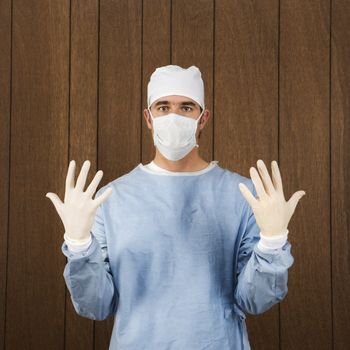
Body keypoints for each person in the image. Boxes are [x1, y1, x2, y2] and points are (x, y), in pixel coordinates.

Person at [46, 65, 306, 349]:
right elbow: (97, 305)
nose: (173, 116)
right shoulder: (110, 199)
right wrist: (79, 246)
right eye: (163, 107)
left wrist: (272, 243)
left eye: (186, 108)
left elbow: (254, 300)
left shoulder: (244, 196)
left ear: (203, 118)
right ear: (148, 117)